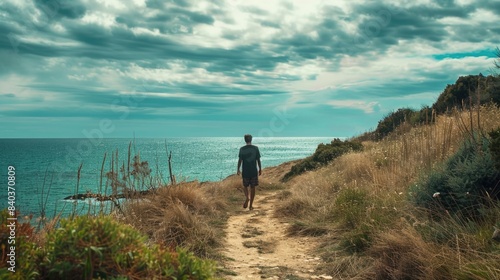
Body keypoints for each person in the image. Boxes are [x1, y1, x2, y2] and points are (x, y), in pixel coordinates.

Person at [237, 134, 262, 210]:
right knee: (253, 187)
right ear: (251, 139)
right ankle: (251, 205)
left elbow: (240, 160)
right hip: (253, 171)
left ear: (245, 140)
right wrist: (260, 169)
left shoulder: (242, 149)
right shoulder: (255, 148)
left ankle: (247, 197)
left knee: (245, 186)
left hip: (245, 171)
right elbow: (258, 160)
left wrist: (238, 169)